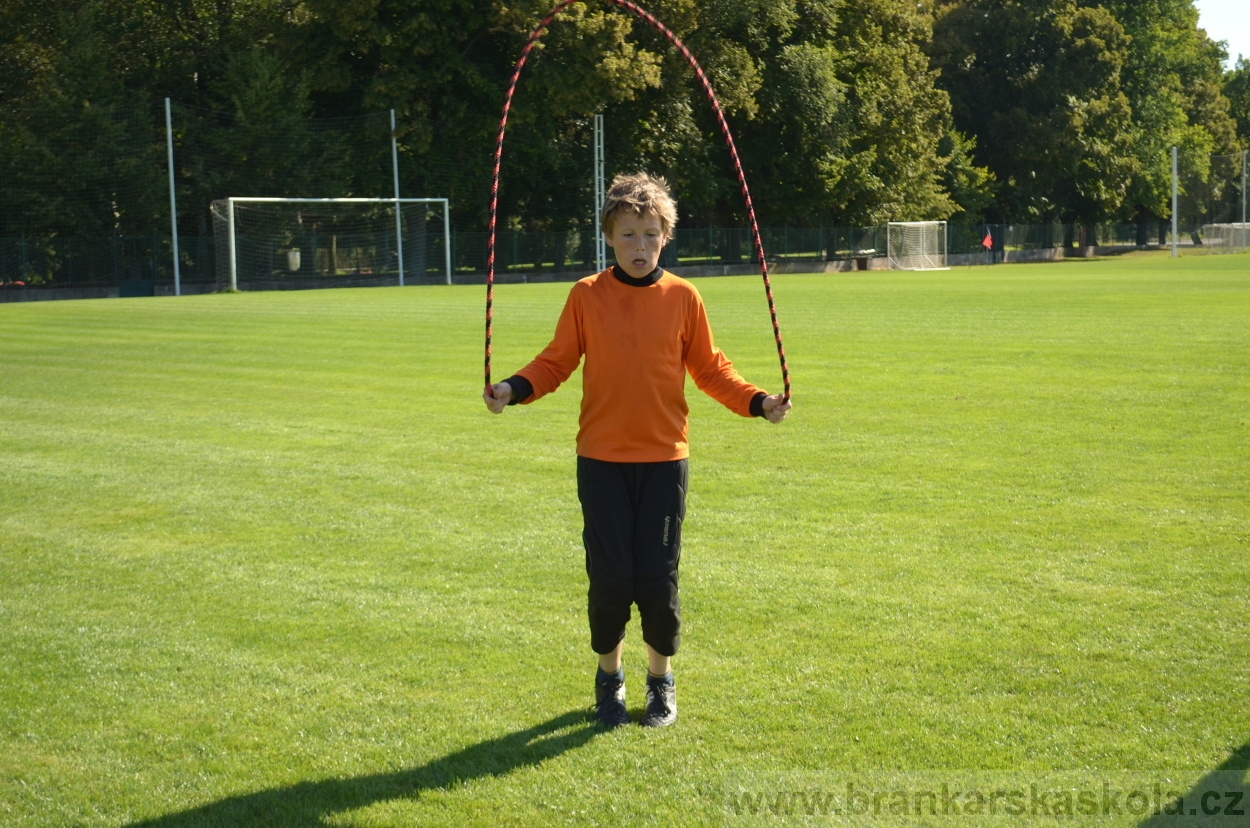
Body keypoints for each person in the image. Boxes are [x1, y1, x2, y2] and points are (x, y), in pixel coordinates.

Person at [483, 172, 791, 728]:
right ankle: (609, 680)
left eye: (650, 234)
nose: (640, 245)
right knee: (609, 580)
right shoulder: (586, 296)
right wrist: (513, 388)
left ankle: (660, 682)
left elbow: (710, 370)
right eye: (628, 234)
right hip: (601, 461)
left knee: (656, 579)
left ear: (665, 237)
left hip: (664, 461)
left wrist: (758, 401)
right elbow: (556, 362)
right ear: (609, 236)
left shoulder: (684, 297)